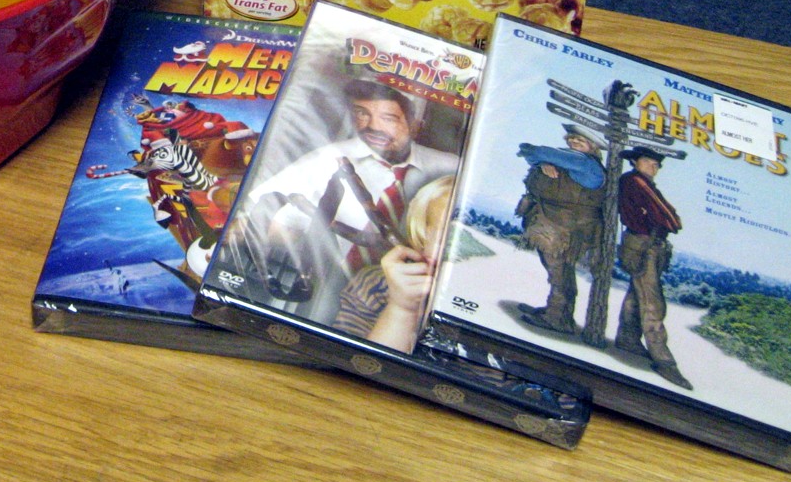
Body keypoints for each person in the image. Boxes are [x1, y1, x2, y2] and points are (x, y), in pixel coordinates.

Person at [222, 77, 458, 322]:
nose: (372, 126)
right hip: (348, 301)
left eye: (388, 118)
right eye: (362, 113)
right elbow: (259, 219)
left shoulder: (450, 167)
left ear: (415, 124)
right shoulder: (326, 160)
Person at [332, 174, 455, 351]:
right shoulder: (374, 287)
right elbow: (350, 361)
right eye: (449, 238)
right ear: (423, 239)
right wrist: (402, 308)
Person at [514, 123, 607, 335]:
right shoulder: (570, 160)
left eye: (580, 140)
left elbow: (531, 150)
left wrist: (543, 158)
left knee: (558, 270)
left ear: (593, 147)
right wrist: (544, 162)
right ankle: (556, 310)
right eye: (571, 138)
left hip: (567, 230)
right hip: (556, 225)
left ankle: (558, 318)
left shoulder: (586, 164)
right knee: (556, 269)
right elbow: (532, 154)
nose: (574, 142)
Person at [614, 146, 692, 389]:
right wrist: (666, 220)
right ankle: (664, 360)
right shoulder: (635, 182)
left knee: (637, 294)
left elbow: (670, 218)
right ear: (636, 162)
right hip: (643, 243)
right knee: (652, 302)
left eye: (656, 164)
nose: (653, 167)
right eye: (648, 161)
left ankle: (627, 339)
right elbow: (666, 216)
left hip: (649, 244)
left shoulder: (644, 183)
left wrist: (667, 220)